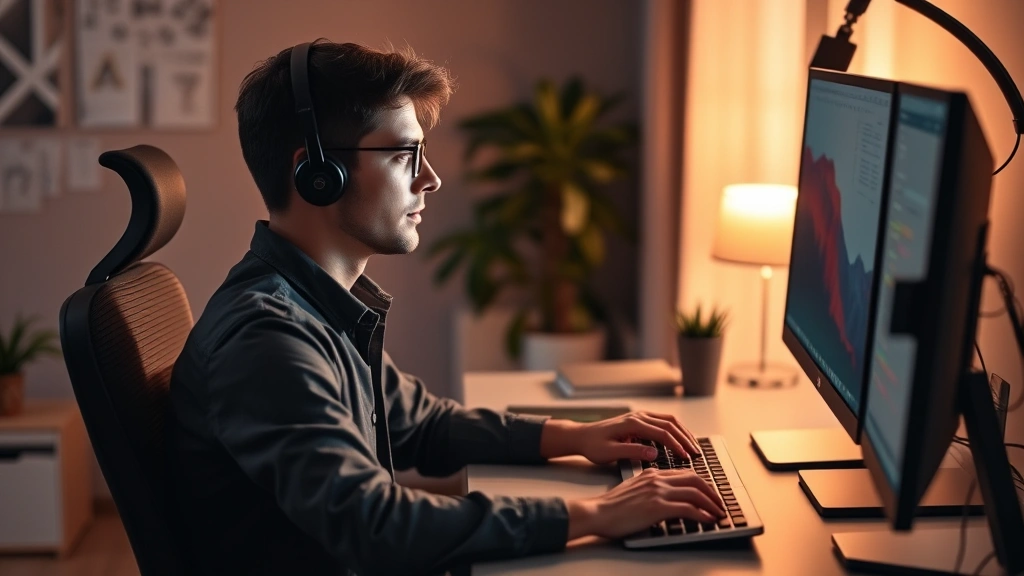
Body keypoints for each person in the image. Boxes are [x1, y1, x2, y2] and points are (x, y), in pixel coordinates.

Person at [168, 38, 725, 576]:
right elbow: (375, 527)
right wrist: (597, 514)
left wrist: (577, 435)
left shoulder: (316, 306)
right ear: (317, 173)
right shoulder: (267, 339)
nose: (429, 178)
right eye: (404, 154)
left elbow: (420, 424)